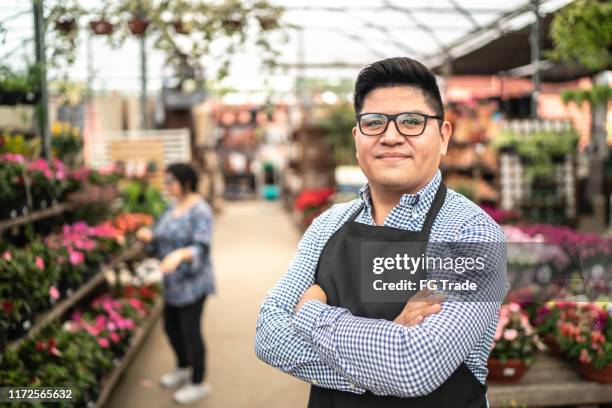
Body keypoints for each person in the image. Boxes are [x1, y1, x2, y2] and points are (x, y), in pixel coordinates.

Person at [255, 57, 507, 408]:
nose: (391, 137)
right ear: (358, 138)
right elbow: (268, 335)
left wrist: (311, 313)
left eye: (412, 122)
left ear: (444, 135)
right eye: (374, 123)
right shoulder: (327, 224)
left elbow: (414, 366)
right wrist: (388, 342)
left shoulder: (472, 233)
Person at [137, 162, 215, 405]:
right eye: (166, 181)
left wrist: (181, 254)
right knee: (171, 327)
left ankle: (199, 381)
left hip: (194, 283)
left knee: (190, 331)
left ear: (186, 182)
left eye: (171, 181)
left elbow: (202, 246)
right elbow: (160, 238)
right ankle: (182, 366)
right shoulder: (171, 207)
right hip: (171, 283)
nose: (167, 186)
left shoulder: (200, 209)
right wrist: (149, 238)